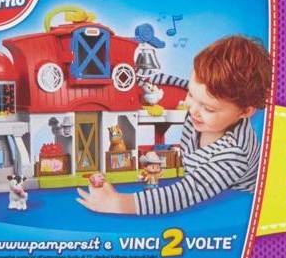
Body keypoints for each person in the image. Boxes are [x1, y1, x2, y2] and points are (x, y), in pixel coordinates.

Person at [76, 35, 271, 215]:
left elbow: (185, 193)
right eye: (191, 94)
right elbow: (170, 82)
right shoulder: (204, 100)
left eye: (209, 109)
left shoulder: (233, 156)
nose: (193, 109)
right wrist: (135, 81)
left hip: (233, 199)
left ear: (245, 112)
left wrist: (118, 203)